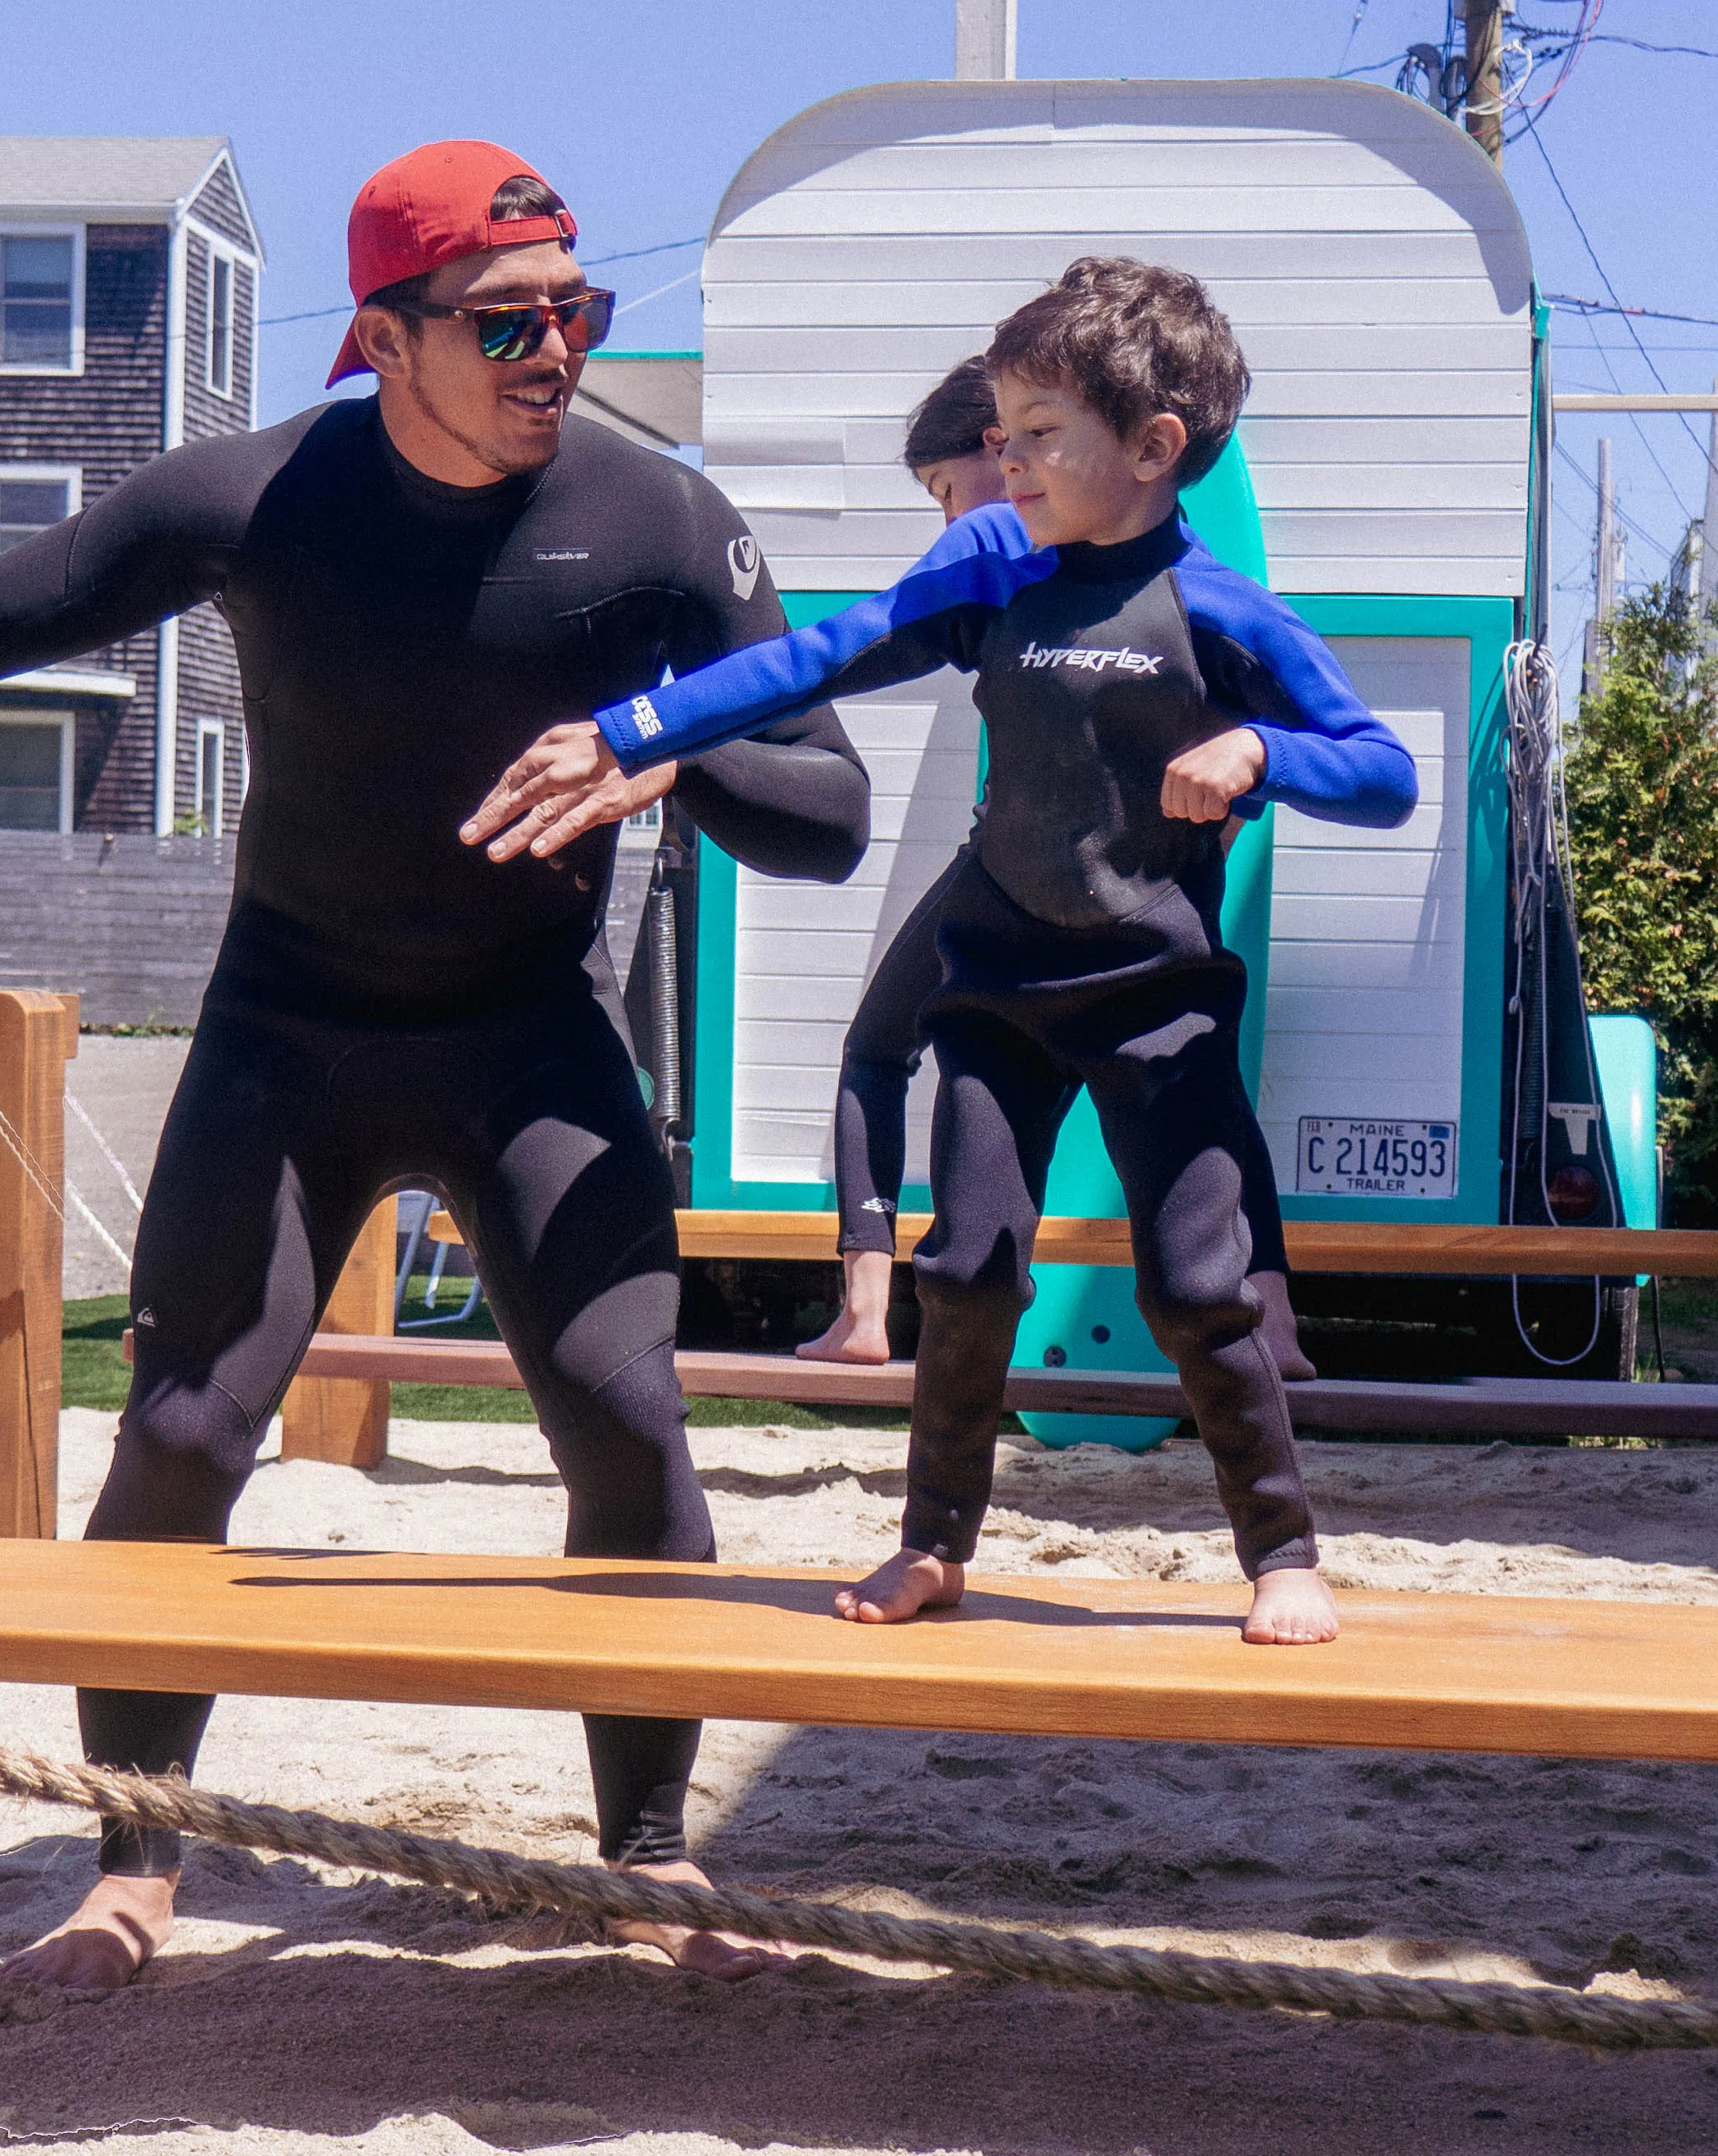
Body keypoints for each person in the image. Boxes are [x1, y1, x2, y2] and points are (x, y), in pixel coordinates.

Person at [0, 141, 869, 1986]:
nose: (556, 351)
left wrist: (671, 749)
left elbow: (830, 811)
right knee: (191, 1427)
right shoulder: (256, 499)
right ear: (382, 335)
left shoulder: (661, 520)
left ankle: (639, 1850)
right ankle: (133, 1860)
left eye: (578, 312)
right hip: (291, 1026)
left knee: (620, 1415)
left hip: (531, 1035)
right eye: (510, 319)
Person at [467, 257, 1413, 1646]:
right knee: (964, 1268)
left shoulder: (1224, 614)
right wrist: (631, 729)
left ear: (1153, 451)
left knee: (1197, 1288)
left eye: (1040, 436)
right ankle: (934, 1546)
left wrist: (1261, 748)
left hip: (1157, 1001)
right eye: (1004, 432)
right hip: (1001, 986)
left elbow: (1382, 771)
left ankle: (1278, 1552)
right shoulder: (992, 569)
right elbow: (821, 657)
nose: (1008, 460)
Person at [797, 356, 1317, 1385]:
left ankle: (863, 1303)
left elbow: (1241, 718)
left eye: (946, 494)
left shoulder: (1120, 570)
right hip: (1031, 861)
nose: (949, 526)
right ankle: (1281, 1317)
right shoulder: (1024, 574)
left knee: (884, 1048)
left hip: (1080, 878)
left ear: (1004, 453)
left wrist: (1236, 786)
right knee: (1196, 1090)